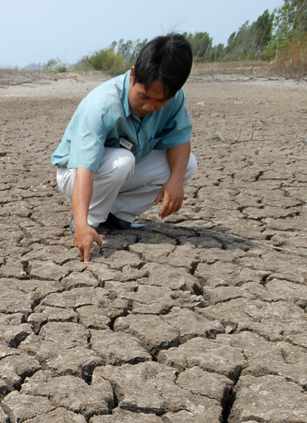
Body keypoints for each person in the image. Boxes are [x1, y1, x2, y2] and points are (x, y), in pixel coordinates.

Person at [51, 34, 198, 262]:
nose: (150, 106)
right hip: (74, 173)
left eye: (160, 102)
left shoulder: (175, 99)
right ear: (132, 75)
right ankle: (90, 220)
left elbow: (179, 140)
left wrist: (176, 181)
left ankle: (117, 216)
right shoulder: (101, 104)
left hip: (118, 171)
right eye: (144, 96)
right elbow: (85, 168)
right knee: (122, 160)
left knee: (186, 166)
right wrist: (81, 224)